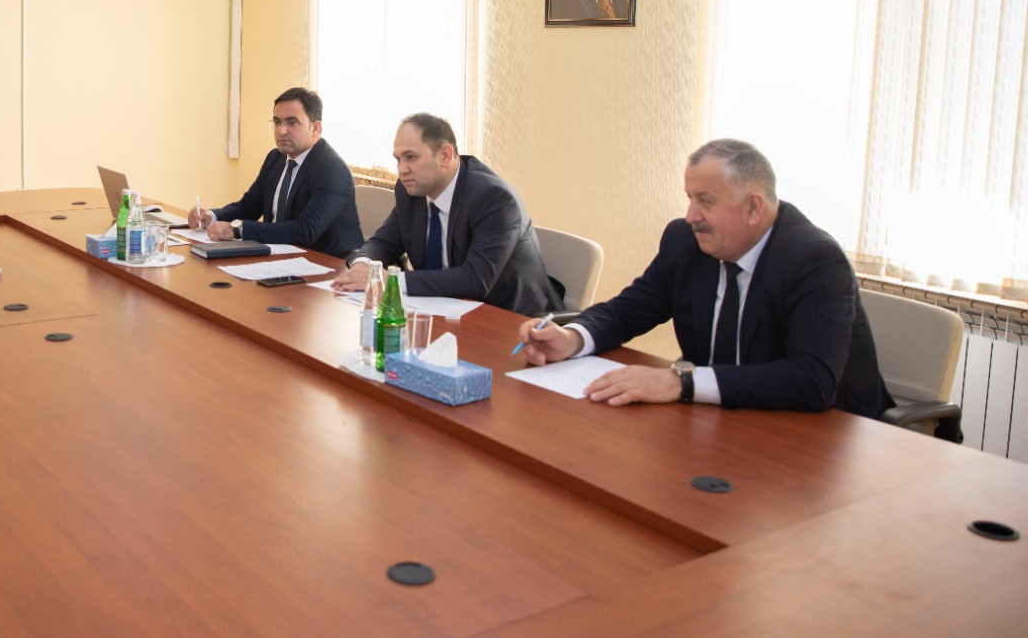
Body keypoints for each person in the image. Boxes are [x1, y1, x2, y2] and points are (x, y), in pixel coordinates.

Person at [517, 139, 892, 417]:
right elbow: (630, 309)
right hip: (725, 420)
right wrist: (573, 339)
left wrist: (681, 381)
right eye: (690, 198)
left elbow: (811, 381)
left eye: (705, 201)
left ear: (753, 207)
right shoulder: (686, 241)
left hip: (826, 437)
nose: (691, 215)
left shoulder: (814, 261)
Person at [330, 114, 562, 317]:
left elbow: (475, 280)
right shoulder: (410, 190)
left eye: (411, 157)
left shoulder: (494, 199)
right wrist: (362, 266)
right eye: (398, 159)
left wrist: (389, 281)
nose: (401, 169)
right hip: (442, 311)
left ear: (445, 155)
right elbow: (384, 242)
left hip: (512, 320)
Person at [189, 86, 363, 258]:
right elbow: (249, 207)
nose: (281, 130)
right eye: (277, 122)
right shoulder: (276, 158)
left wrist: (238, 229)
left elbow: (305, 230)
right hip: (278, 257)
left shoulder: (332, 170)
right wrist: (212, 216)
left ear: (315, 128)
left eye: (292, 122)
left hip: (326, 264)